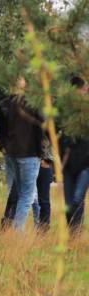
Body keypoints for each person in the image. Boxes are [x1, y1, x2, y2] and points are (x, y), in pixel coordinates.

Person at [0, 77, 44, 232]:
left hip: (11, 153)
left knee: (17, 192)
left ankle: (35, 223)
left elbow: (0, 128)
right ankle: (18, 232)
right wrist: (41, 152)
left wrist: (2, 146)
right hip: (28, 154)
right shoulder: (33, 104)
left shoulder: (5, 104)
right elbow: (41, 129)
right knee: (26, 195)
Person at [61, 76, 89, 234]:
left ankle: (76, 232)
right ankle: (72, 233)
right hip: (69, 164)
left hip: (86, 164)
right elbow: (55, 133)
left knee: (78, 199)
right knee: (68, 203)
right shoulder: (66, 112)